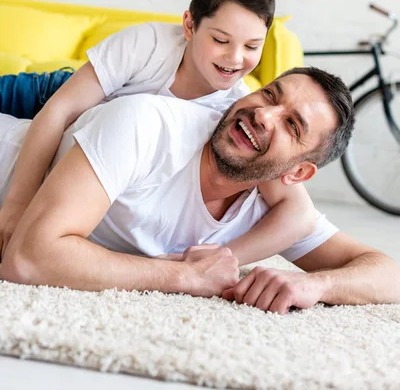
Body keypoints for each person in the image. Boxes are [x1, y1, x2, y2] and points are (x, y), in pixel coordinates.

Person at [0, 0, 316, 267]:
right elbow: (59, 111)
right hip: (52, 93)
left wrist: (223, 258)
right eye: (221, 40)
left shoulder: (238, 109)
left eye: (251, 47)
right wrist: (16, 206)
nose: (235, 58)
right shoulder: (147, 45)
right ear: (190, 25)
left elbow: (299, 213)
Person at [2, 67, 400, 315]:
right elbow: (27, 258)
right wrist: (183, 277)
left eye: (292, 125)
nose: (264, 114)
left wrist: (316, 285)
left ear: (297, 173)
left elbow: (389, 275)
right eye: (270, 95)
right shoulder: (147, 123)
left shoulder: (274, 207)